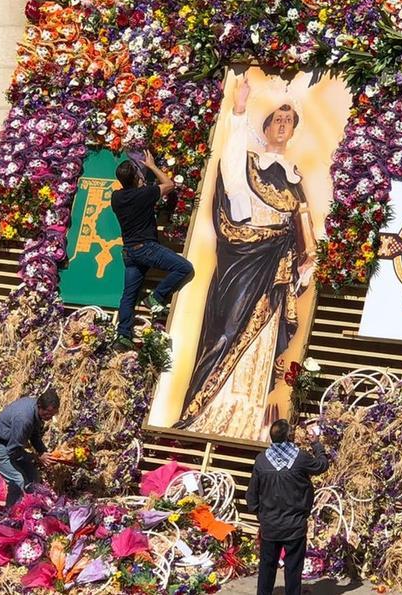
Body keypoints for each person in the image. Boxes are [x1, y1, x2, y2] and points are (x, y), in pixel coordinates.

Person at [174, 76, 318, 441]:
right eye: (277, 120)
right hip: (243, 258)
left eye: (289, 121)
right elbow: (231, 171)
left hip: (274, 269)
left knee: (262, 338)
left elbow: (303, 230)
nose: (282, 126)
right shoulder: (249, 162)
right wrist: (238, 111)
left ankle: (246, 415)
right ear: (266, 126)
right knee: (225, 331)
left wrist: (303, 262)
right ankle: (207, 410)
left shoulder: (294, 178)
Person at [111, 149, 193, 348]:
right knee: (184, 268)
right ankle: (156, 297)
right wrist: (152, 166)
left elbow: (136, 189)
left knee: (129, 295)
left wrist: (140, 177)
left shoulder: (116, 198)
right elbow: (169, 185)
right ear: (137, 177)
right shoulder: (144, 195)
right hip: (146, 249)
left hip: (129, 253)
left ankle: (123, 335)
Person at [246, 419, 328, 595]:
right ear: (289, 436)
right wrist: (317, 445)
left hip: (270, 525)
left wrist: (260, 516)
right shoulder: (300, 458)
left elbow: (252, 495)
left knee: (267, 567)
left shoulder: (261, 460)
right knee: (293, 569)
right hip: (295, 525)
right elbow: (322, 465)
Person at [0, 390, 60, 507]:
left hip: (10, 443)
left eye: (53, 414)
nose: (49, 418)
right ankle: (11, 514)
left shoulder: (35, 410)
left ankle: (32, 509)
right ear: (39, 406)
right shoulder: (24, 419)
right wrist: (38, 457)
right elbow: (13, 450)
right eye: (47, 414)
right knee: (18, 480)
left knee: (33, 475)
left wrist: (44, 452)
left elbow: (34, 435)